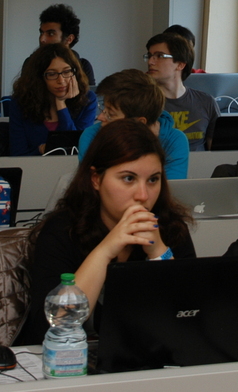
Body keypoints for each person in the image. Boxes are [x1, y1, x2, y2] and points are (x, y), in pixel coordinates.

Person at [15, 120, 195, 345]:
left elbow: (192, 321)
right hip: (71, 360)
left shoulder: (171, 228)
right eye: (128, 178)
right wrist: (105, 251)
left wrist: (159, 252)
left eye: (153, 180)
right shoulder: (62, 230)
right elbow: (53, 327)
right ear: (96, 179)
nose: (143, 195)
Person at [77, 69, 189, 180]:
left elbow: (169, 188)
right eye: (103, 108)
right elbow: (91, 185)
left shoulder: (174, 140)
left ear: (139, 123)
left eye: (110, 114)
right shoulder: (92, 135)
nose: (100, 117)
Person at [6, 44, 98, 156]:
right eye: (52, 74)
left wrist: (61, 104)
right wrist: (41, 151)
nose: (61, 80)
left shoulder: (87, 100)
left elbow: (76, 149)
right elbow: (18, 155)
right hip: (33, 166)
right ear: (39, 77)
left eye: (66, 72)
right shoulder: (20, 102)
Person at [145, 32, 218, 151]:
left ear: (180, 64)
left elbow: (216, 153)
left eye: (160, 56)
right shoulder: (142, 103)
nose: (150, 62)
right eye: (149, 56)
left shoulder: (206, 102)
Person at [38, 3, 96, 86]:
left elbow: (89, 93)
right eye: (41, 33)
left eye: (50, 34)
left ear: (69, 39)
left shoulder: (83, 66)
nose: (42, 39)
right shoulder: (31, 64)